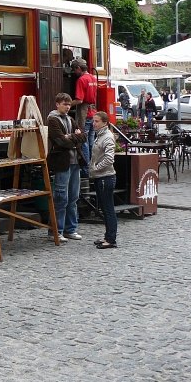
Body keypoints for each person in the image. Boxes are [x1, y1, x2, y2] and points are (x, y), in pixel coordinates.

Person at [46, 92, 87, 243]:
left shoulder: (70, 119)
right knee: (61, 197)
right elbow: (60, 141)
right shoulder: (53, 120)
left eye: (69, 104)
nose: (68, 107)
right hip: (63, 163)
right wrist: (73, 137)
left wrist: (70, 137)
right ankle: (55, 231)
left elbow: (83, 136)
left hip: (75, 162)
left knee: (73, 197)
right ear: (57, 104)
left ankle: (71, 229)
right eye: (65, 104)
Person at [89, 111, 117, 249]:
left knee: (108, 209)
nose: (94, 123)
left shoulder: (107, 137)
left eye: (97, 121)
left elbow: (109, 158)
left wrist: (96, 168)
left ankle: (111, 239)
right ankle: (108, 236)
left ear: (104, 123)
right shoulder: (99, 135)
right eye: (93, 121)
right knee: (105, 209)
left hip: (106, 177)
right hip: (100, 176)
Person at [70, 58, 97, 176]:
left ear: (78, 68)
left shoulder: (81, 80)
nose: (74, 73)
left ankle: (86, 169)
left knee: (83, 141)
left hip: (84, 112)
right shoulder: (93, 78)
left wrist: (66, 104)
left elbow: (79, 100)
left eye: (74, 70)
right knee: (91, 141)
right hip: (93, 111)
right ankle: (92, 167)